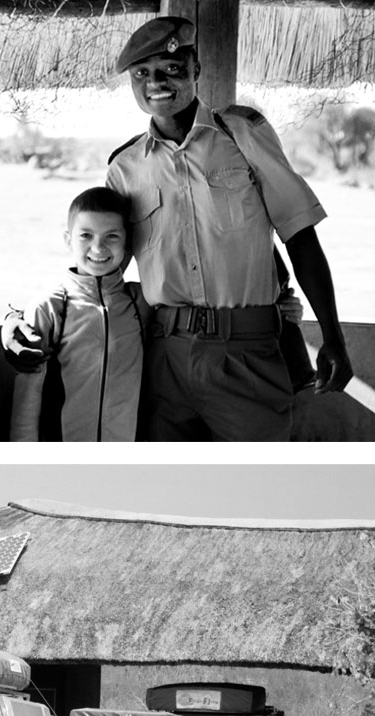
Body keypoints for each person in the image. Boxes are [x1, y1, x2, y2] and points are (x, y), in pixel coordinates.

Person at [106, 15, 353, 441]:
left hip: (248, 354)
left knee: (264, 481)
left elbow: (299, 234)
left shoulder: (241, 134)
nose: (156, 83)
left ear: (196, 70)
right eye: (141, 74)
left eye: (171, 69)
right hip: (163, 356)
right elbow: (102, 267)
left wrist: (333, 335)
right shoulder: (124, 167)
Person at [0, 186, 147, 442]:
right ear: (68, 240)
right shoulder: (50, 307)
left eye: (111, 236)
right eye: (86, 235)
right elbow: (28, 397)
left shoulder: (141, 302)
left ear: (128, 241)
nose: (98, 247)